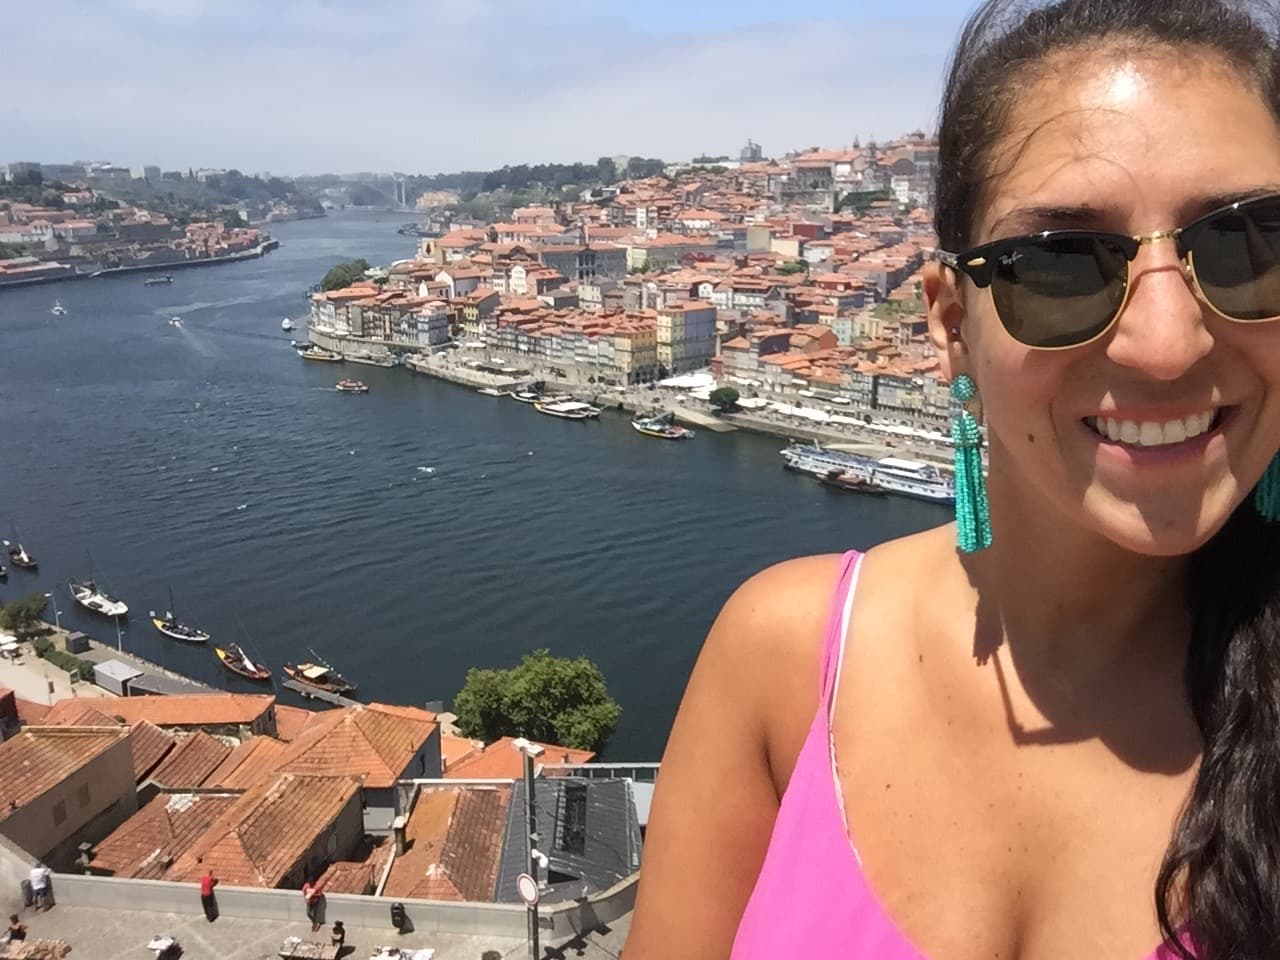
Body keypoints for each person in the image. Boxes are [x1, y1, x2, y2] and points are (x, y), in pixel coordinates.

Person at [626, 3, 1280, 959]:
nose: (1167, 344)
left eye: (1247, 244)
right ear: (947, 326)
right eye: (1061, 266)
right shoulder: (781, 659)